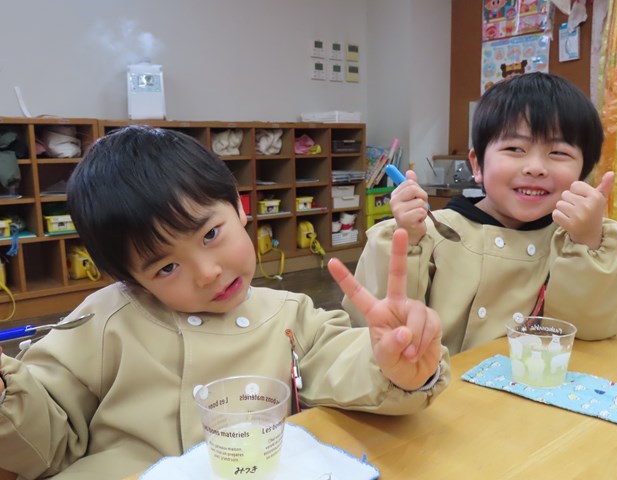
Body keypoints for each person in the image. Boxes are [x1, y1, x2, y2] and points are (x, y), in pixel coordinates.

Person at [0, 126, 449, 479]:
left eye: (211, 234)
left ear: (239, 206)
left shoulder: (290, 314)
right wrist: (6, 395)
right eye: (166, 268)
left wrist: (394, 365)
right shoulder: (103, 321)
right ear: (132, 281)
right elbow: (46, 441)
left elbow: (343, 364)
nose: (207, 272)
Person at [345, 72, 617, 355]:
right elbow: (379, 327)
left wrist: (587, 241)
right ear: (477, 164)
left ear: (583, 172)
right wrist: (406, 239)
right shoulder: (433, 232)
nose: (535, 168)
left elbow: (590, 329)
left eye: (559, 153)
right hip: (437, 384)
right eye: (515, 148)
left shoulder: (578, 241)